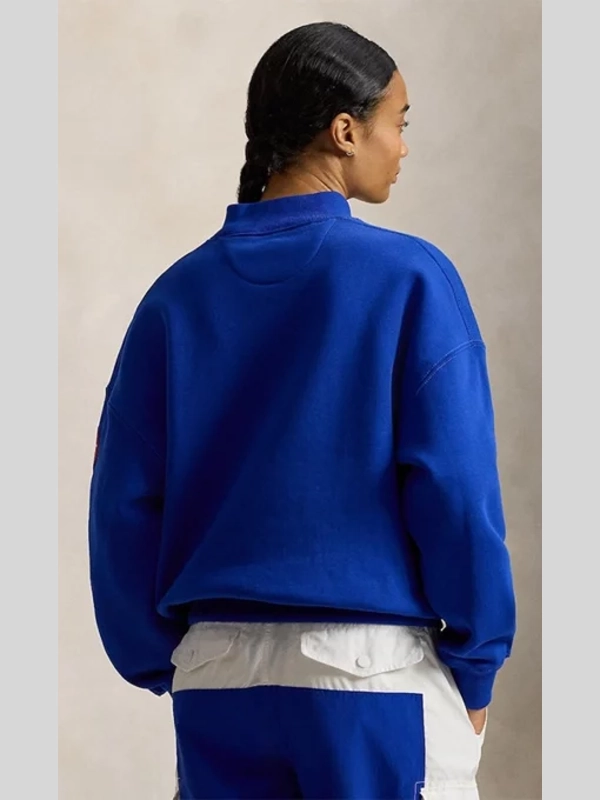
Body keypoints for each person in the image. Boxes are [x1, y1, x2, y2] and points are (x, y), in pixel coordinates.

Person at [89, 21, 516, 800]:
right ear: (345, 131)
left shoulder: (175, 297)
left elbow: (122, 500)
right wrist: (478, 662)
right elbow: (454, 489)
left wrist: (167, 658)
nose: (404, 147)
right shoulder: (411, 278)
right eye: (399, 123)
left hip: (216, 679)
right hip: (371, 677)